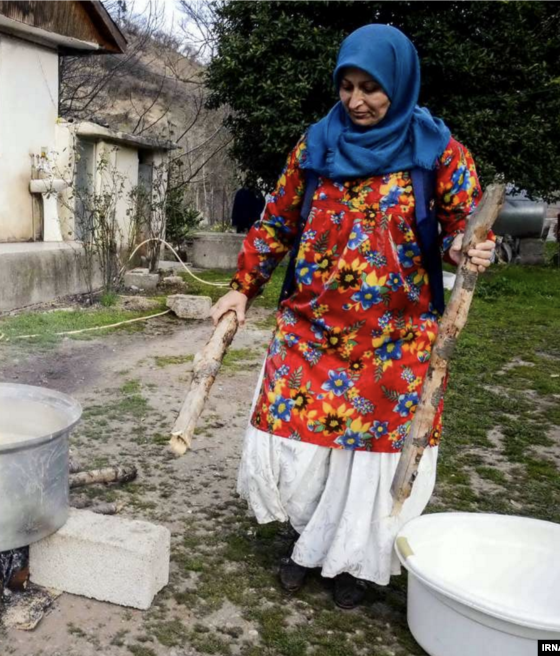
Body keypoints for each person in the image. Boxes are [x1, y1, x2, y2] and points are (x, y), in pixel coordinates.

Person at [210, 25, 496, 608]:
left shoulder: (438, 151)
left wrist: (471, 247)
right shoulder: (315, 146)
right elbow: (275, 224)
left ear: (400, 83)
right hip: (312, 329)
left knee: (376, 455)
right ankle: (308, 541)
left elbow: (461, 230)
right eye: (347, 86)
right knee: (292, 441)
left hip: (398, 335)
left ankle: (358, 564)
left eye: (371, 88)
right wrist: (242, 289)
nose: (356, 101)